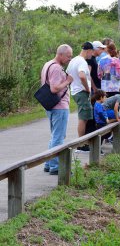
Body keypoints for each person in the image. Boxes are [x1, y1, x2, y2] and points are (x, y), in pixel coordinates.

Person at [41, 44, 73, 175]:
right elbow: (54, 88)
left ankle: (49, 163)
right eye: (68, 56)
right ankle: (56, 166)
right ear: (60, 54)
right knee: (58, 137)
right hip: (59, 107)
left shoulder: (48, 64)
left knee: (55, 135)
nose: (69, 59)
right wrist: (68, 81)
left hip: (51, 105)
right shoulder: (56, 68)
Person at [67, 41, 93, 152]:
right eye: (91, 53)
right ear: (88, 51)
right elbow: (82, 76)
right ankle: (82, 144)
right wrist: (87, 88)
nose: (91, 55)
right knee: (83, 118)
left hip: (75, 91)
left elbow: (68, 74)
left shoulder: (73, 60)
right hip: (81, 92)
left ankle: (83, 142)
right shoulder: (82, 62)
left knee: (84, 116)